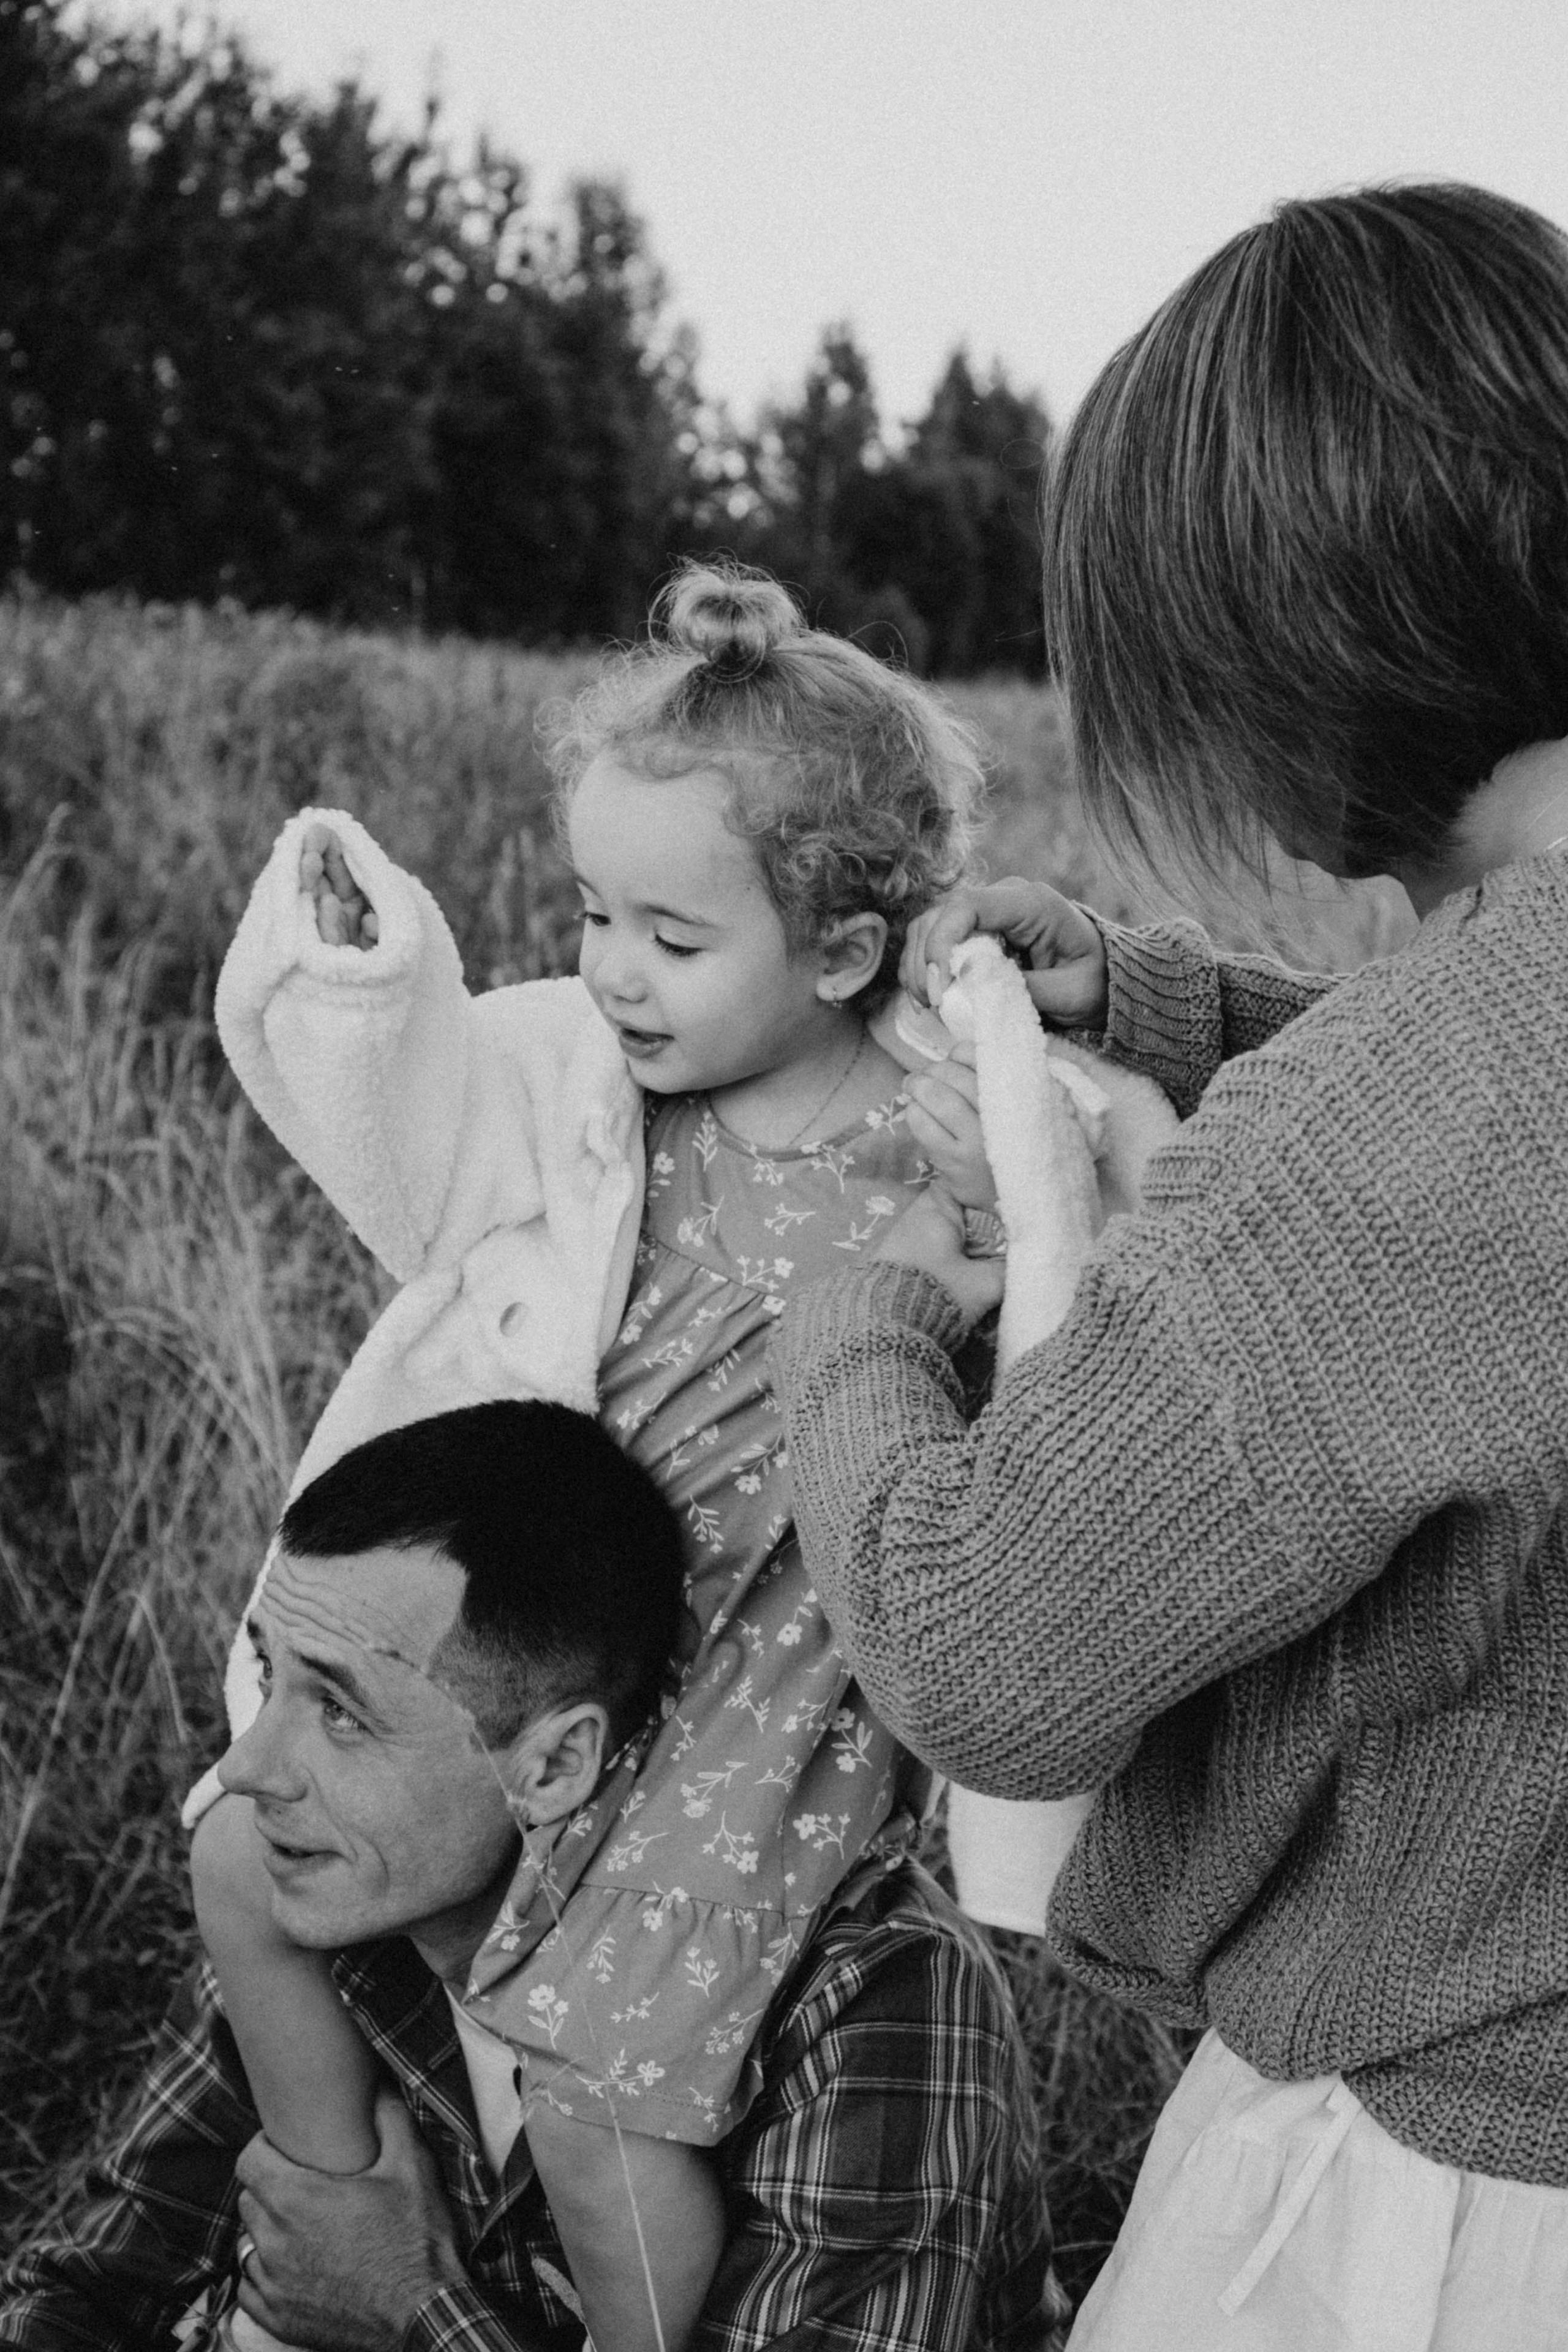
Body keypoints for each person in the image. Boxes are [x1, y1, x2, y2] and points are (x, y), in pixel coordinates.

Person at [769, 183, 1568, 2351]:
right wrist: (1172, 1002)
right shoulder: (1472, 1089)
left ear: (1310, 643)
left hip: (1452, 2208)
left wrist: (852, 1307)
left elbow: (982, 1643)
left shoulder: (1415, 1129)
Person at [188, 563, 1003, 2352]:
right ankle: (329, 2203)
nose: (611, 970)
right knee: (243, 1871)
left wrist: (1006, 1184)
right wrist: (366, 979)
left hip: (769, 1693)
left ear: (848, 953)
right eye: (591, 914)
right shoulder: (597, 1093)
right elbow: (423, 1132)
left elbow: (1070, 1318)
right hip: (574, 1642)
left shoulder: (939, 1125)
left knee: (593, 2095)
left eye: (673, 938)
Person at [0, 1400, 1068, 2352]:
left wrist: (411, 2306)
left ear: (553, 1764)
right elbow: (104, 2278)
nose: (246, 1766)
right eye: (271, 1675)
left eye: (340, 1711)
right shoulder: (328, 1894)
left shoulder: (873, 2000)